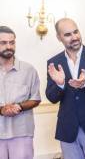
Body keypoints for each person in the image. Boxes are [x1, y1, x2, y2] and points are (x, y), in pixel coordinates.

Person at [46, 18, 85, 159]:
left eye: (76, 32)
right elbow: (51, 97)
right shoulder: (54, 63)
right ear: (59, 37)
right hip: (68, 129)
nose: (74, 37)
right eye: (68, 34)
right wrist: (60, 84)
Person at [0, 26, 41, 159]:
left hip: (22, 134)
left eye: (12, 42)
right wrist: (2, 110)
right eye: (3, 43)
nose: (9, 46)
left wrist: (19, 107)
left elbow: (36, 99)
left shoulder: (29, 70)